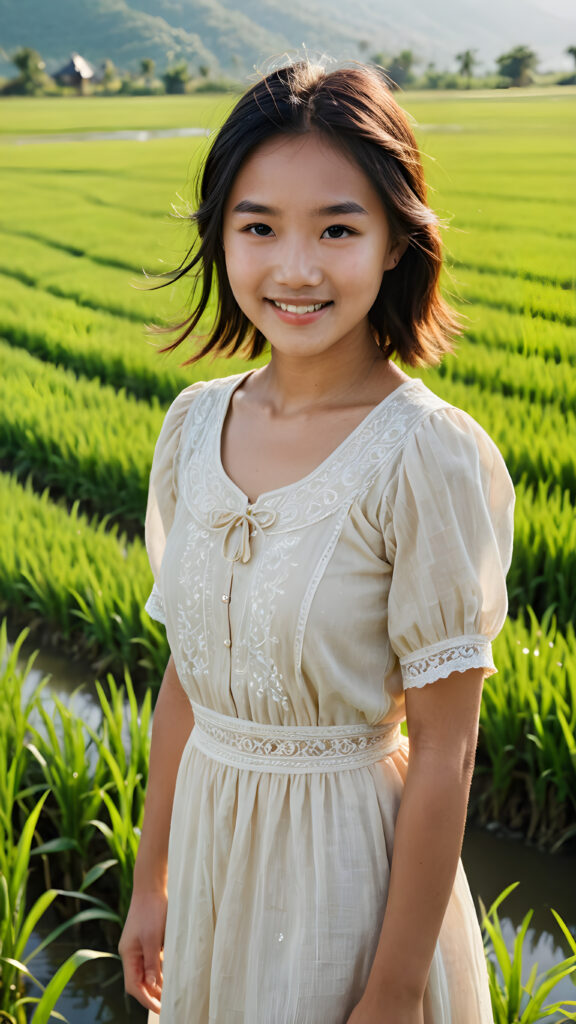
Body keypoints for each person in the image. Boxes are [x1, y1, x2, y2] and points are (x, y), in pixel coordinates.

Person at [118, 60, 515, 1024]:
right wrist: (150, 877)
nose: (295, 268)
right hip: (215, 863)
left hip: (348, 878)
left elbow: (445, 755)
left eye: (337, 228)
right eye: (259, 227)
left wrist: (389, 993)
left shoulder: (424, 454)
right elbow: (187, 681)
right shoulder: (193, 425)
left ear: (393, 243)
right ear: (221, 237)